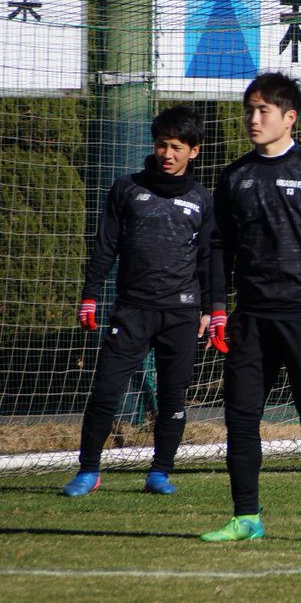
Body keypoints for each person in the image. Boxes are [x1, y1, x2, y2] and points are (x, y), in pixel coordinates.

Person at [201, 72, 301, 544]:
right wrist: (217, 306)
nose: (253, 118)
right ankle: (246, 516)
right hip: (251, 318)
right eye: (249, 109)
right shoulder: (234, 176)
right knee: (241, 418)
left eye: (263, 110)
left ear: (289, 118)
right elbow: (217, 246)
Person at [63, 106, 213, 498]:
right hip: (131, 310)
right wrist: (90, 296)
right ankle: (89, 470)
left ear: (193, 151)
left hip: (181, 313)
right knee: (106, 391)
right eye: (162, 145)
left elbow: (211, 260)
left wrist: (213, 310)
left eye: (177, 147)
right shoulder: (127, 188)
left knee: (173, 397)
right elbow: (105, 246)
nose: (167, 154)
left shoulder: (202, 200)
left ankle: (160, 471)